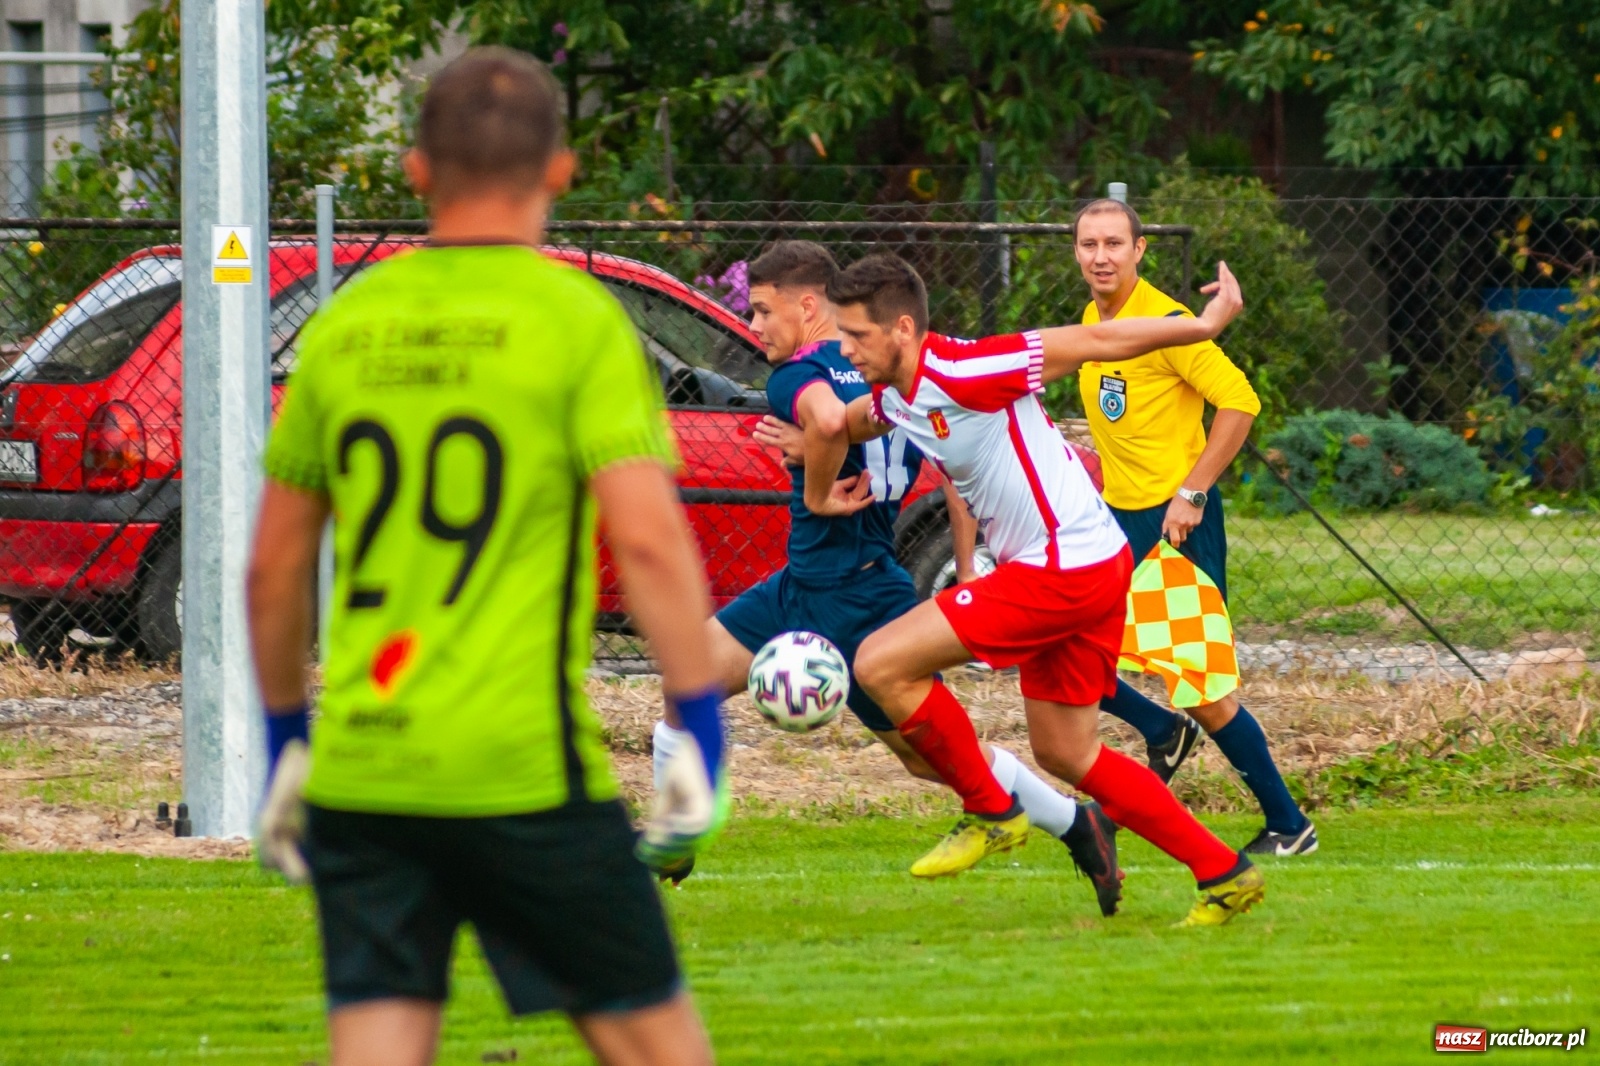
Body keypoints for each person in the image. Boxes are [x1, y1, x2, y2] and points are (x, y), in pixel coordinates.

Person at [246, 48, 720, 1066]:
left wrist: (287, 735)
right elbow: (644, 538)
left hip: (368, 768)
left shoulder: (343, 327)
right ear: (559, 172)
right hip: (521, 770)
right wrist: (703, 728)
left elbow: (272, 571)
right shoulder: (578, 321)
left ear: (416, 171)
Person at [652, 239, 1124, 916]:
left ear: (807, 306)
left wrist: (816, 480)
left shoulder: (801, 373)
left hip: (854, 594)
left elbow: (823, 421)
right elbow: (907, 440)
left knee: (930, 760)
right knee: (685, 680)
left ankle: (1077, 824)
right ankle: (677, 829)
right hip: (808, 581)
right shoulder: (877, 373)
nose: (753, 330)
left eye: (761, 312)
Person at [817, 252, 1266, 926]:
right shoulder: (893, 395)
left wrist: (1201, 328)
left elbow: (1096, 340)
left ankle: (992, 809)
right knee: (1065, 750)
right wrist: (813, 466)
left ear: (902, 328)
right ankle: (1224, 873)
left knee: (879, 663)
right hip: (1087, 560)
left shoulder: (968, 367)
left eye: (855, 336)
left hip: (1065, 564)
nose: (844, 349)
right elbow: (848, 421)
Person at [1074, 198, 1316, 857]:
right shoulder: (1096, 325)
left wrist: (1193, 492)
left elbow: (1241, 402)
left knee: (1204, 692)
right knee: (1071, 651)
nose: (1101, 256)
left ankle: (1289, 826)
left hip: (1174, 530)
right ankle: (1160, 730)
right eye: (1089, 243)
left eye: (1113, 244)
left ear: (1139, 249)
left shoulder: (1170, 322)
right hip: (1115, 527)